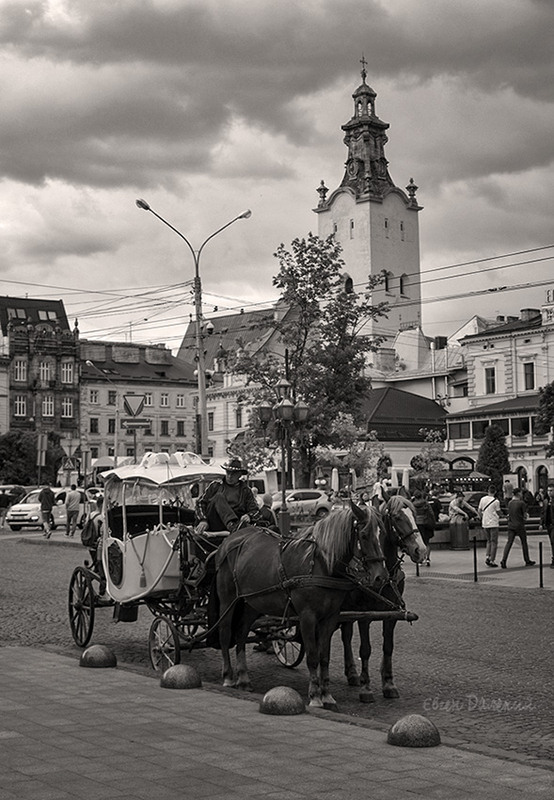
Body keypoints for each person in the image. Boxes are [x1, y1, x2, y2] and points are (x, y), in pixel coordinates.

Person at [196, 457, 261, 534]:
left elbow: (256, 511)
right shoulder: (215, 485)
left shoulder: (246, 491)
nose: (229, 476)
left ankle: (234, 525)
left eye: (233, 474)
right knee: (218, 497)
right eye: (228, 473)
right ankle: (232, 525)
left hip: (237, 523)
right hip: (214, 522)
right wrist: (203, 520)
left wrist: (249, 516)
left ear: (240, 475)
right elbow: (200, 503)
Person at [500, 487, 535, 568]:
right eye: (521, 493)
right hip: (519, 525)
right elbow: (525, 515)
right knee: (524, 543)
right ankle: (527, 560)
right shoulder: (521, 503)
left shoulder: (510, 503)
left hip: (511, 525)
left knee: (509, 543)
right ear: (519, 493)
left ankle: (504, 560)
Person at [477, 485, 502, 567]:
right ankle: (492, 560)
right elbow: (498, 512)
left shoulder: (482, 499)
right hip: (493, 523)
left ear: (488, 491)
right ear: (495, 492)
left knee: (488, 541)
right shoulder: (496, 501)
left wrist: (482, 517)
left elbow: (479, 510)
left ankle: (487, 556)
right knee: (494, 542)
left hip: (485, 522)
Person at [412, 489, 435, 566]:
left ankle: (420, 559)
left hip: (417, 525)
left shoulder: (412, 505)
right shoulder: (426, 504)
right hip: (426, 524)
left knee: (419, 543)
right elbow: (431, 514)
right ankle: (427, 558)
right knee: (427, 542)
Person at [540, 485, 554, 569]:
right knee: (552, 542)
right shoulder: (546, 501)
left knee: (553, 541)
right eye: (548, 491)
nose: (550, 492)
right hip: (549, 525)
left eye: (551, 490)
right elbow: (543, 513)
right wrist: (541, 524)